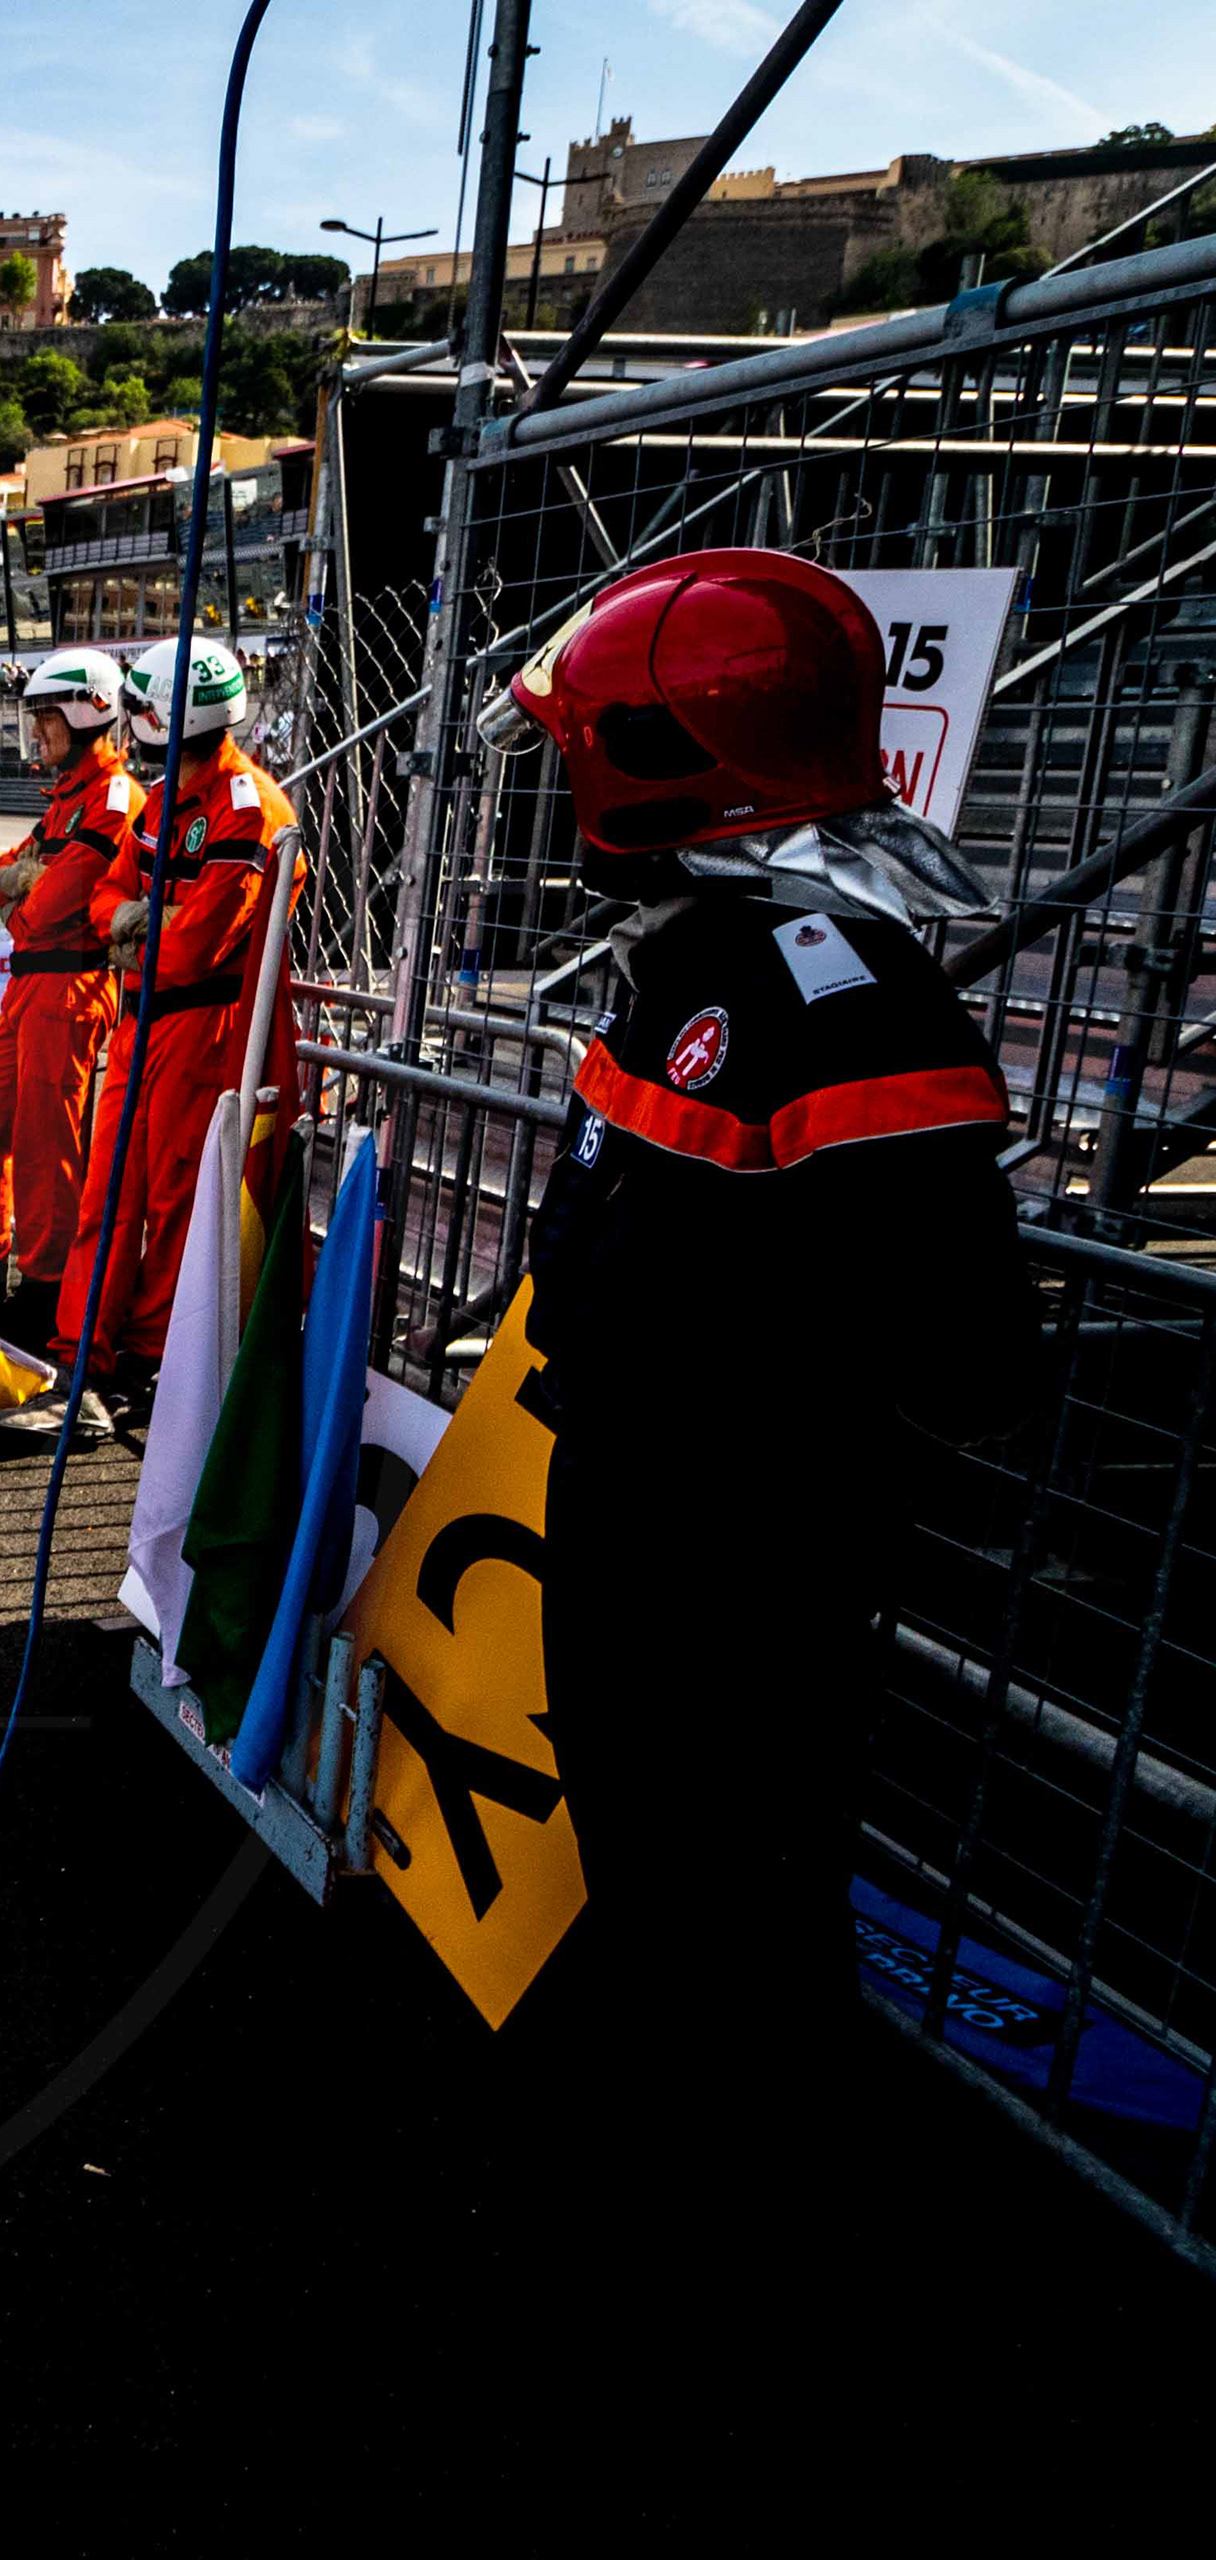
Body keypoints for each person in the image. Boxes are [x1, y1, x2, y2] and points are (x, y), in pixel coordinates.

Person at [483, 547, 1030, 2339]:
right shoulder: (705, 956)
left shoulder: (837, 989)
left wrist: (772, 1458)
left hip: (740, 1534)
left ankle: (754, 2237)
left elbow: (950, 1330)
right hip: (645, 1495)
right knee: (656, 1853)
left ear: (662, 754)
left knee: (743, 1876)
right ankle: (671, 2160)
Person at [56, 634, 296, 1412]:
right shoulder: (162, 802)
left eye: (138, 707)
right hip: (139, 1025)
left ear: (166, 714)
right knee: (106, 1196)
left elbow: (193, 950)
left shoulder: (250, 811)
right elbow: (105, 900)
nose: (129, 721)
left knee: (175, 1202)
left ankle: (150, 1359)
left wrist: (136, 924)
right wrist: (141, 918)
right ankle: (80, 1351)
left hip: (203, 1033)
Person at [0, 647, 139, 1372]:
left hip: (69, 987)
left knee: (44, 1148)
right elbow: (2, 880)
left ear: (87, 713)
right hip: (33, 983)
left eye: (46, 719)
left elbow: (42, 909)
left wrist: (25, 888)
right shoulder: (66, 800)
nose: (38, 733)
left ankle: (44, 1291)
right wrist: (22, 884)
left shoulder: (114, 801)